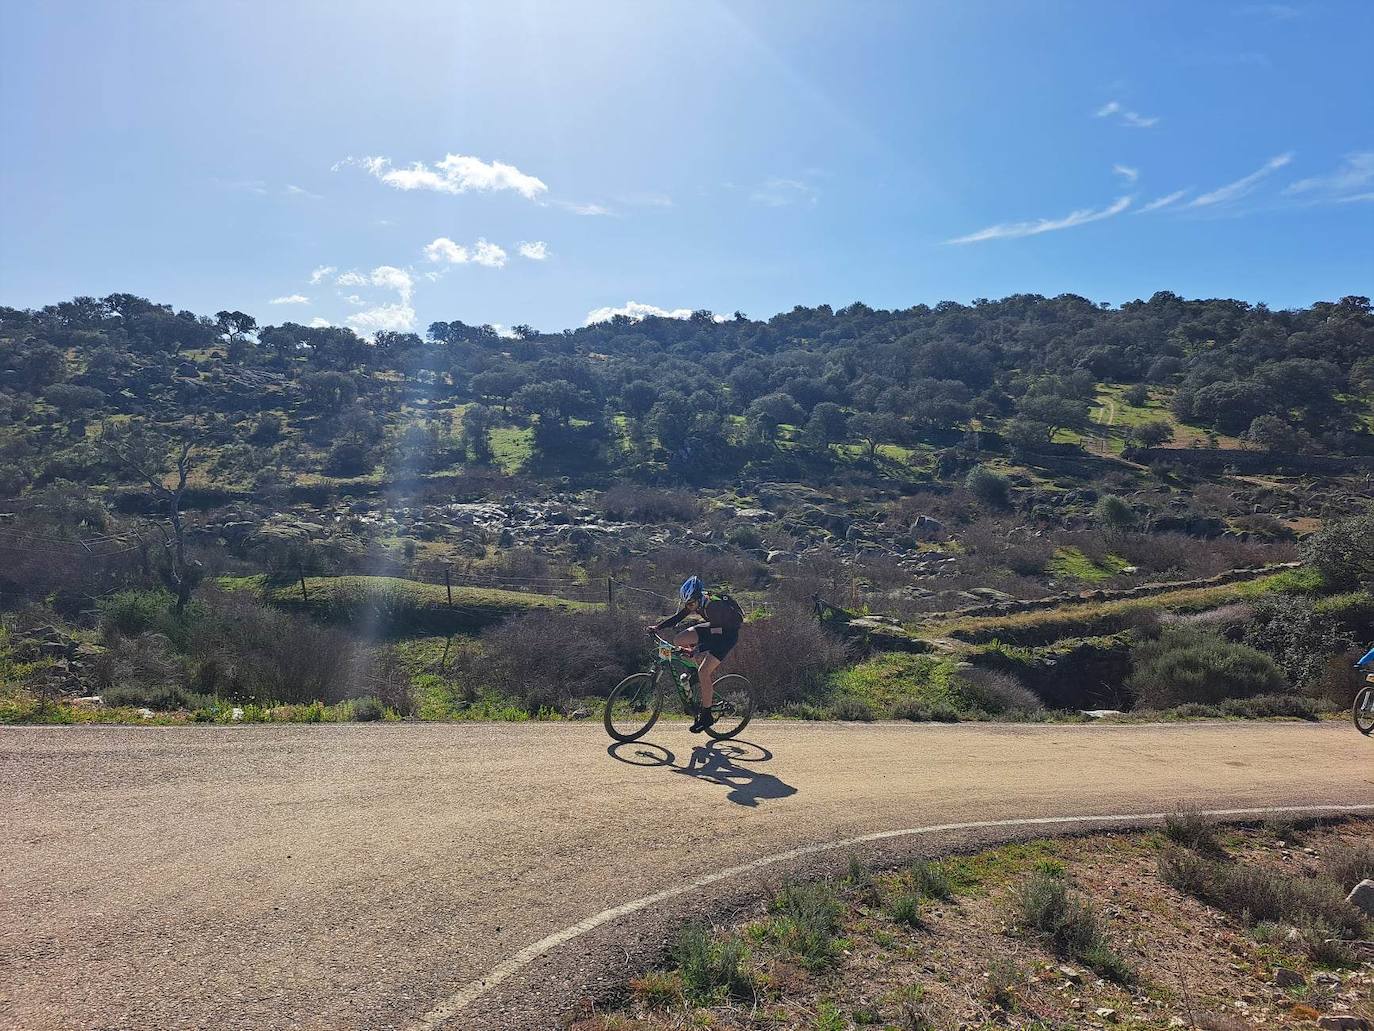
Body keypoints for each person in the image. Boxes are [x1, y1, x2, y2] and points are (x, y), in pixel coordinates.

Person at [649, 576, 745, 733]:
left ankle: (707, 716)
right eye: (687, 604)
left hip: (726, 637)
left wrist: (695, 651)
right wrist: (658, 627)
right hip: (715, 628)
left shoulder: (713, 606)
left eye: (691, 604)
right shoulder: (696, 601)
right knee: (679, 639)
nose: (689, 607)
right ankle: (692, 670)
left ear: (698, 598)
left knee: (704, 672)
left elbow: (716, 639)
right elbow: (679, 617)